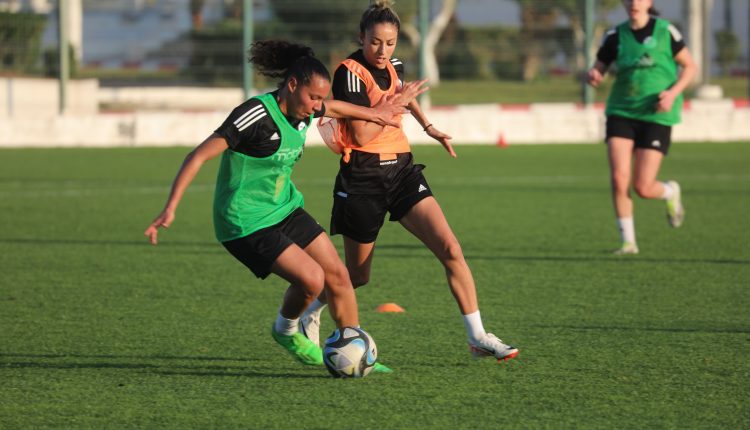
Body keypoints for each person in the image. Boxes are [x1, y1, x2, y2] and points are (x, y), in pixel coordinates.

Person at [144, 40, 423, 370]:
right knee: (312, 280)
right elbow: (198, 155)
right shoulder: (256, 114)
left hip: (284, 207)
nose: (318, 106)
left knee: (339, 276)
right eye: (313, 97)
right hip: (245, 220)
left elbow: (337, 107)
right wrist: (170, 206)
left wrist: (376, 113)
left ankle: (355, 350)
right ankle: (286, 330)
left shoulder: (306, 105)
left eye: (321, 98)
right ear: (292, 85)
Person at [301, 0, 519, 363]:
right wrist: (394, 104)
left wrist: (428, 126)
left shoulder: (394, 65)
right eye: (375, 42)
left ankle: (478, 337)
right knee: (357, 276)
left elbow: (403, 95)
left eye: (390, 43)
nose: (383, 50)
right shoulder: (349, 72)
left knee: (450, 248)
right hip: (363, 178)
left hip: (401, 171)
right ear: (361, 37)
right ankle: (310, 310)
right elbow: (364, 133)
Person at [587, 0, 696, 255]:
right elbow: (598, 67)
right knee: (618, 178)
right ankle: (628, 243)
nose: (634, 3)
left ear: (649, 2)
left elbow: (690, 67)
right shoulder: (615, 36)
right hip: (621, 112)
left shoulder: (666, 31)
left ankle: (670, 192)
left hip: (656, 115)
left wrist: (672, 93)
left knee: (643, 187)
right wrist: (594, 75)